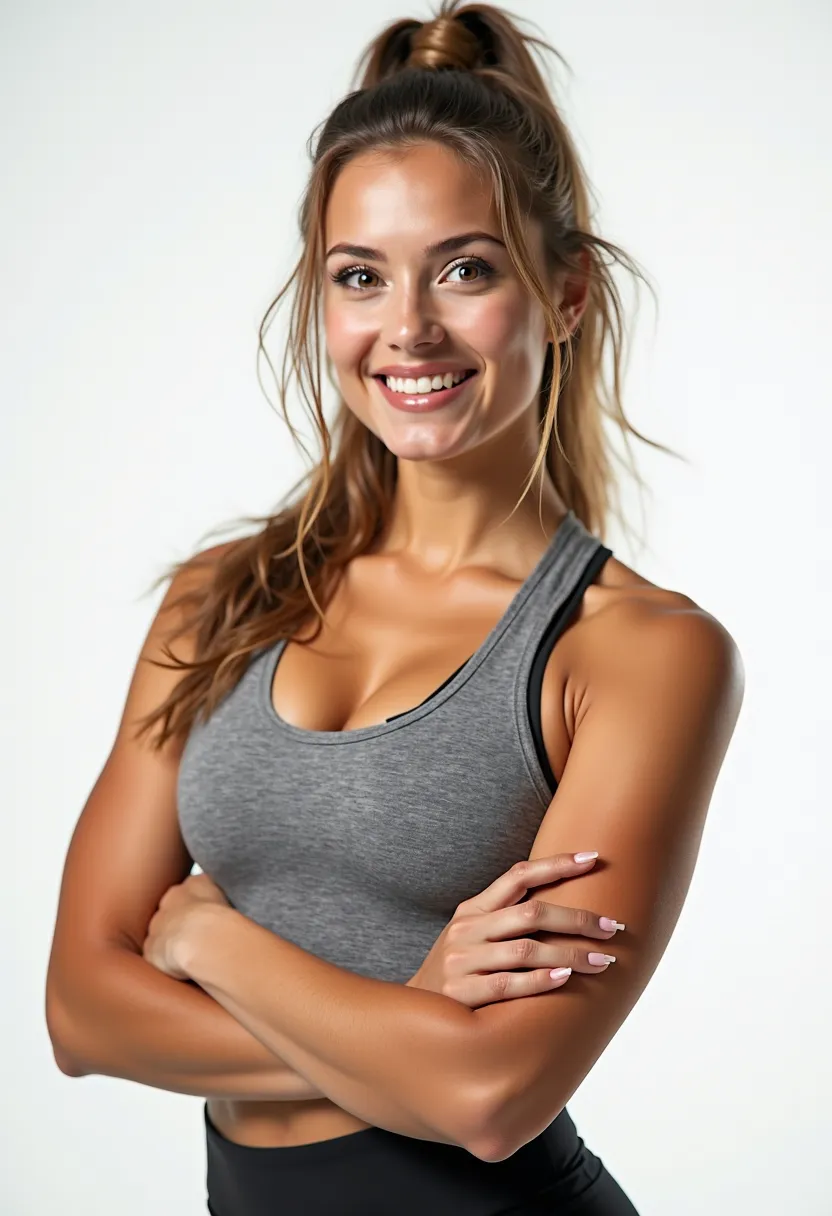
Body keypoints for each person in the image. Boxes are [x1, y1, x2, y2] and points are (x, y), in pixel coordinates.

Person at [45, 3, 744, 1213]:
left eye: (465, 270)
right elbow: (78, 1010)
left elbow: (490, 1097)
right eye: (359, 277)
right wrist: (411, 1025)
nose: (407, 328)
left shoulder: (635, 653)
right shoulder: (217, 603)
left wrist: (214, 945)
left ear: (566, 291)